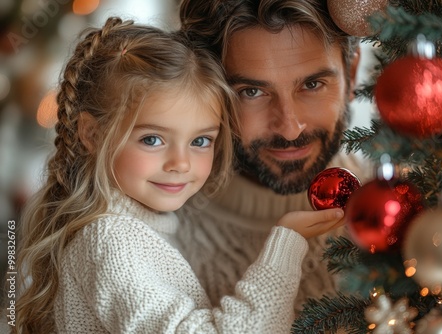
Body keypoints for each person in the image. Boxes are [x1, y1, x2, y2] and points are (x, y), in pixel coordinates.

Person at [14, 17, 345, 333]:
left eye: (200, 141)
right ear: (92, 134)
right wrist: (285, 243)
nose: (181, 163)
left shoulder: (133, 227)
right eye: (152, 139)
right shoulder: (112, 243)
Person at [176, 0, 372, 315]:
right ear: (205, 89)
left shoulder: (413, 215)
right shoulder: (153, 245)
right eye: (252, 92)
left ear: (351, 71)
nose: (290, 129)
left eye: (312, 84)